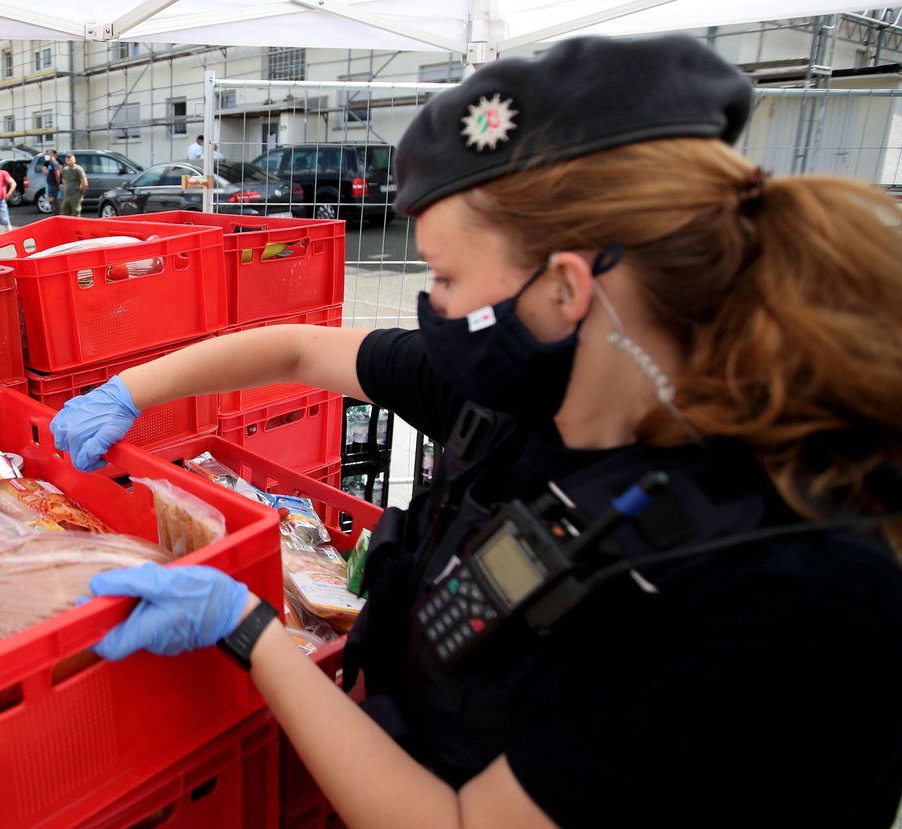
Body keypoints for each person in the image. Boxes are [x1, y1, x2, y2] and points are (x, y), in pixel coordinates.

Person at [49, 35, 902, 828]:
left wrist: (248, 631)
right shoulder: (529, 394)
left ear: (567, 290)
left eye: (448, 277)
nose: (438, 309)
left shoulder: (770, 581)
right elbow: (304, 350)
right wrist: (129, 388)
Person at [59, 152, 87, 217]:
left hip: (75, 194)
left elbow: (85, 183)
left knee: (75, 213)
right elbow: (64, 181)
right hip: (67, 195)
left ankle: (76, 227)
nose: (69, 161)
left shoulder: (78, 169)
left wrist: (81, 193)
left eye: (71, 159)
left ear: (74, 160)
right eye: (67, 160)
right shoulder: (65, 169)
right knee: (64, 213)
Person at [41, 149, 62, 214]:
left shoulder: (55, 163)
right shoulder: (50, 162)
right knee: (51, 200)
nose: (47, 155)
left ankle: (57, 214)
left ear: (53, 155)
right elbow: (45, 170)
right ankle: (54, 213)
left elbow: (57, 174)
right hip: (50, 184)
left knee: (56, 201)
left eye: (49, 154)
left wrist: (58, 185)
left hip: (54, 185)